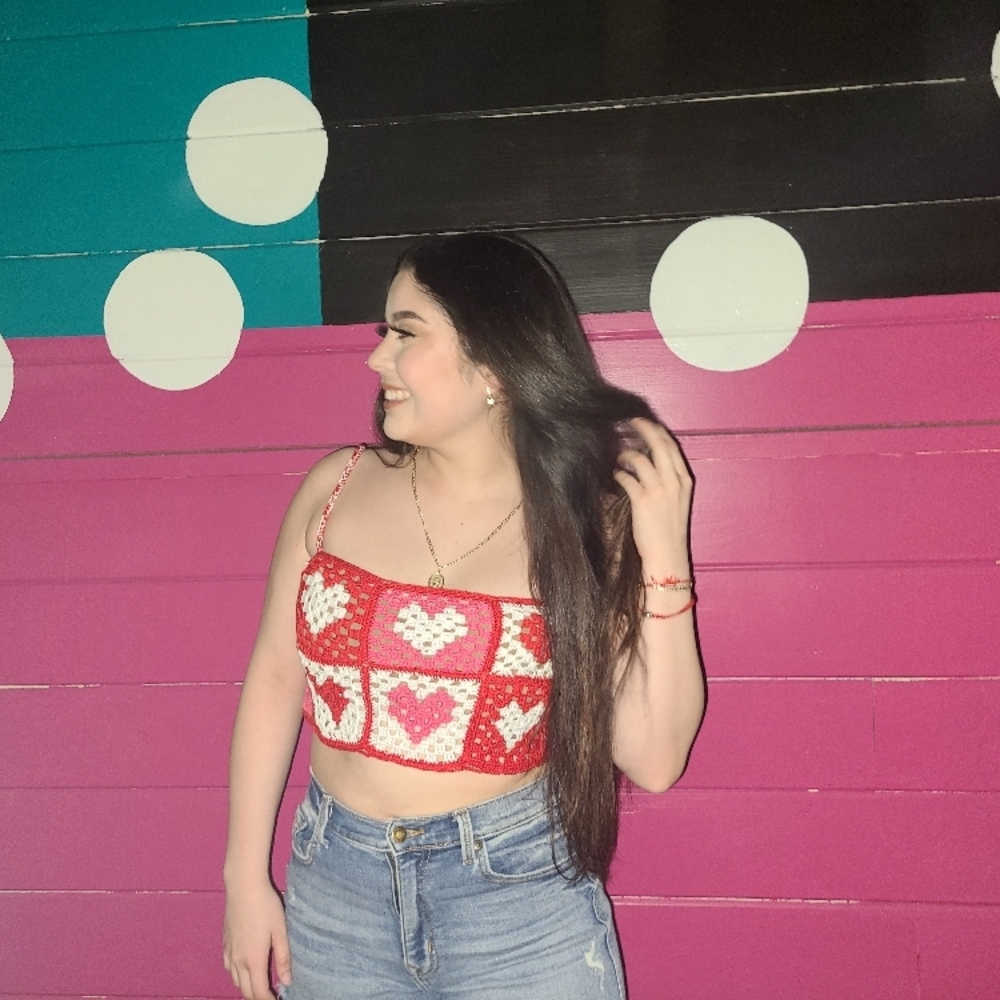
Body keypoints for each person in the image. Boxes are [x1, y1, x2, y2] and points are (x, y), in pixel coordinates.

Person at [222, 232, 705, 1000]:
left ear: (493, 363)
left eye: (404, 333)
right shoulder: (335, 488)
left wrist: (664, 553)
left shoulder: (587, 522)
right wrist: (244, 881)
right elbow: (277, 681)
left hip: (517, 905)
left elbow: (653, 757)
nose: (377, 358)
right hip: (334, 894)